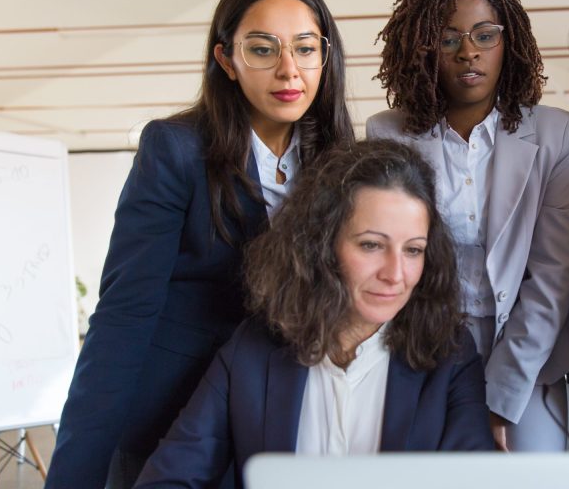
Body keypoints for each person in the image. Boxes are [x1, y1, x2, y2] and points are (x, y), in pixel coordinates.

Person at [46, 0, 354, 489]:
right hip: (171, 421)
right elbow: (124, 316)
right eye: (262, 50)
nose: (289, 70)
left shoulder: (341, 163)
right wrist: (74, 476)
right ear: (227, 60)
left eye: (305, 48)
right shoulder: (176, 149)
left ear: (325, 56)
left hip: (288, 422)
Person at [134, 140, 494, 487]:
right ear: (322, 245)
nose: (395, 274)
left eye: (413, 250)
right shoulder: (253, 348)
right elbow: (169, 478)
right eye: (371, 245)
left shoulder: (450, 354)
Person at [367, 0, 569, 451]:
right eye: (448, 40)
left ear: (508, 43)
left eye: (485, 36)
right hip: (425, 342)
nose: (469, 51)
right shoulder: (387, 134)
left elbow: (553, 276)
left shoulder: (557, 134)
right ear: (424, 50)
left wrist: (501, 395)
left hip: (529, 346)